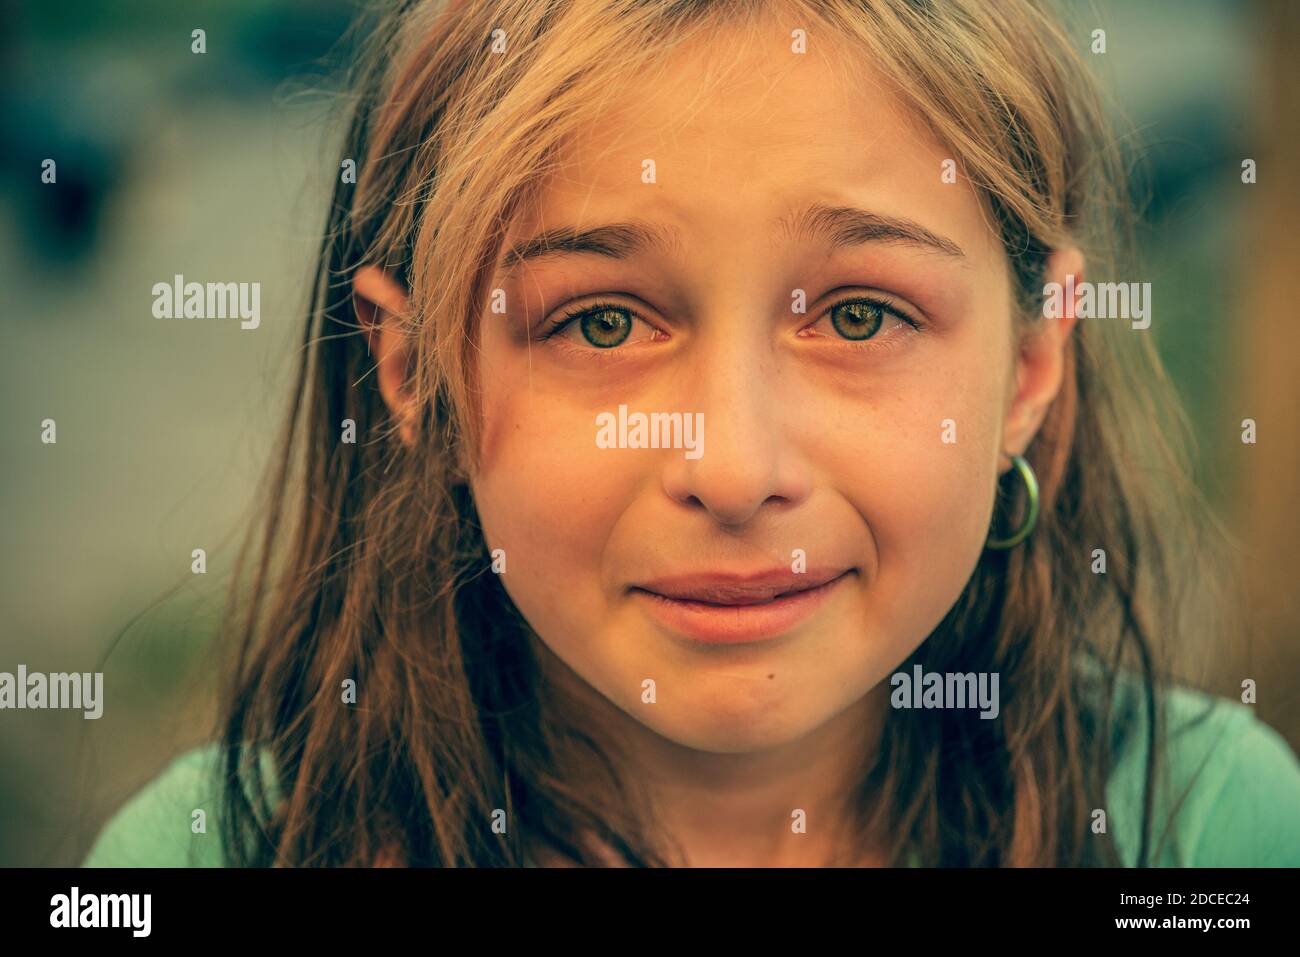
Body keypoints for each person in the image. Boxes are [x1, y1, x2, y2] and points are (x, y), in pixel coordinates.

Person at [84, 0, 1300, 868]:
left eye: (861, 313)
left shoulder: (1208, 829)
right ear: (418, 379)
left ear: (1028, 372)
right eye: (602, 324)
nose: (732, 469)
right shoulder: (203, 859)